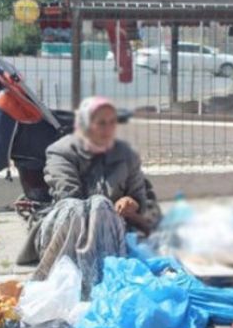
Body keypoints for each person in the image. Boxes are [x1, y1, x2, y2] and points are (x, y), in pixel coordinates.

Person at [17, 96, 162, 297]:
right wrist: (108, 207)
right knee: (92, 205)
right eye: (100, 123)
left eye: (112, 123)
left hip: (111, 231)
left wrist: (131, 203)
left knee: (101, 206)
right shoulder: (61, 151)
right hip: (68, 228)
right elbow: (68, 198)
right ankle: (70, 283)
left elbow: (140, 197)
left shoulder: (126, 155)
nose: (108, 129)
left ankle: (101, 283)